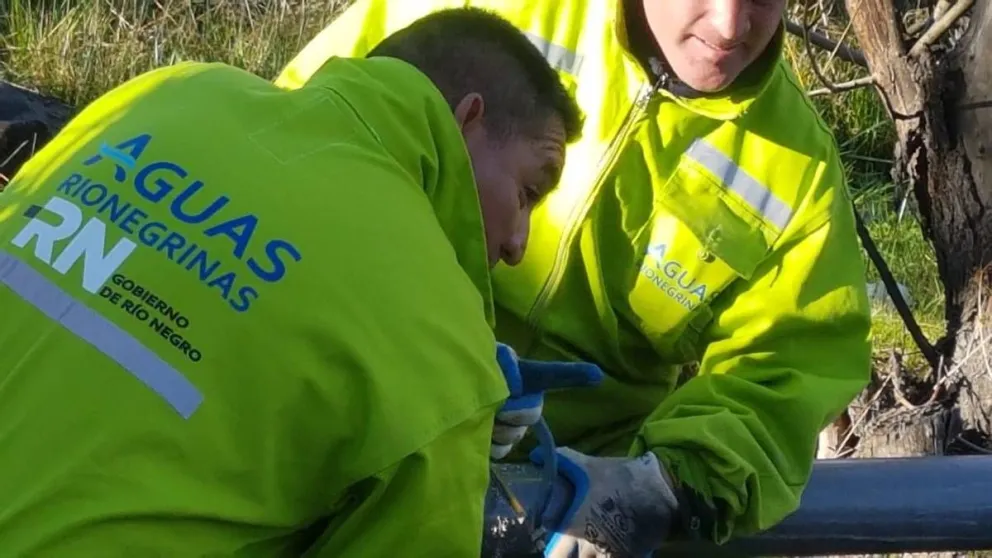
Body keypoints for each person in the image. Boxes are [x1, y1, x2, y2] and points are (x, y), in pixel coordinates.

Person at [275, 0, 875, 555]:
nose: (728, 26)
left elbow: (784, 374)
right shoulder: (484, 8)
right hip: (348, 397)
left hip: (571, 503)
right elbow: (304, 138)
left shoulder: (801, 175)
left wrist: (663, 483)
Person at [0, 7, 587, 556]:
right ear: (468, 120)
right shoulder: (441, 354)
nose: (517, 245)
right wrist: (454, 430)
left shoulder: (170, 90)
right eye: (529, 192)